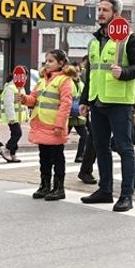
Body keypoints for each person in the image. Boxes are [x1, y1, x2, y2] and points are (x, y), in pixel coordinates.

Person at [81, 0, 135, 213]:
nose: (100, 13)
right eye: (99, 9)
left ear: (116, 14)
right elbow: (91, 73)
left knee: (124, 148)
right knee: (100, 147)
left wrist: (125, 73)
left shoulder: (129, 39)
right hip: (98, 103)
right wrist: (85, 100)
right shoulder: (95, 40)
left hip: (120, 103)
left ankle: (126, 195)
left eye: (105, 10)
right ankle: (105, 190)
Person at [19, 49, 78, 201]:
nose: (47, 63)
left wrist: (59, 125)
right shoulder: (42, 80)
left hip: (54, 126)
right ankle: (44, 185)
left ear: (61, 63)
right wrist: (25, 99)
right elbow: (34, 98)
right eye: (46, 60)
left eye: (51, 61)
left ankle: (59, 188)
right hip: (41, 124)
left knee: (57, 157)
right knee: (43, 156)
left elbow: (66, 104)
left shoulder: (65, 80)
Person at [2, 67, 28, 163]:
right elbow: (8, 103)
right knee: (17, 133)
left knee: (15, 134)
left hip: (18, 117)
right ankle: (6, 149)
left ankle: (13, 154)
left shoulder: (20, 87)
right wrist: (11, 117)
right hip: (13, 118)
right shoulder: (10, 87)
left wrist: (26, 116)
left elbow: (23, 103)